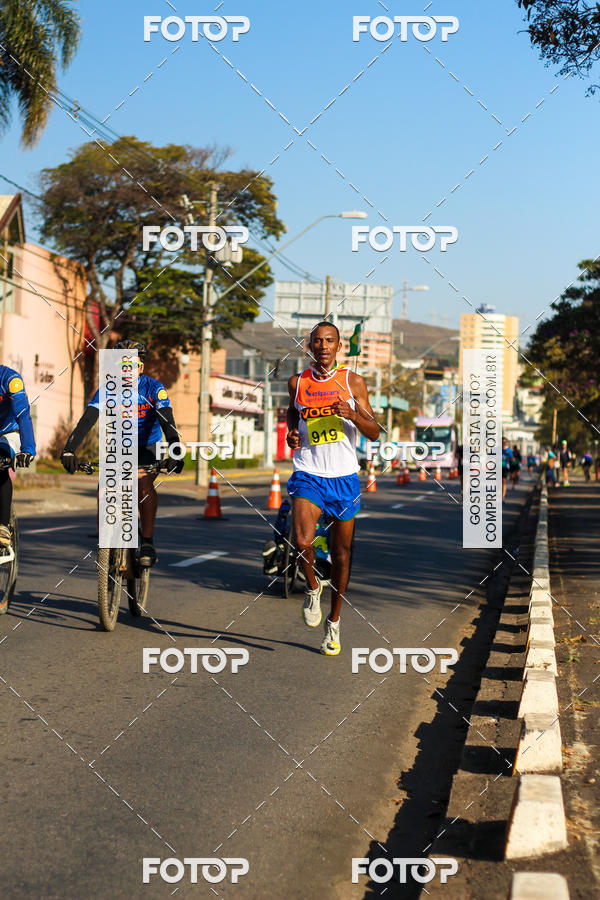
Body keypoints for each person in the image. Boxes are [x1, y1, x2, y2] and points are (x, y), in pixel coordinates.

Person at [286, 322, 380, 657]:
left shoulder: (352, 381)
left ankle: (334, 622)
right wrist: (291, 436)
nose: (323, 346)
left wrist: (353, 414)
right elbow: (291, 418)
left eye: (329, 341)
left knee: (342, 555)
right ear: (309, 346)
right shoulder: (297, 382)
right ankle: (312, 586)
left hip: (344, 478)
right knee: (301, 543)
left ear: (339, 345)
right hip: (308, 472)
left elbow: (375, 432)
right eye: (317, 341)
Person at [60, 340, 183, 565]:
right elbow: (87, 420)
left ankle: (147, 542)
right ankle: (106, 543)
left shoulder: (154, 388)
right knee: (105, 487)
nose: (127, 370)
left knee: (143, 485)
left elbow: (168, 423)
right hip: (118, 447)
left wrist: (175, 451)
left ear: (141, 368)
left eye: (133, 364)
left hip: (148, 447)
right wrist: (69, 449)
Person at [0, 366, 36, 559]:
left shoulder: (10, 379)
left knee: (1, 462)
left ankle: (3, 527)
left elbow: (23, 415)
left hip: (7, 433)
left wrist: (28, 449)